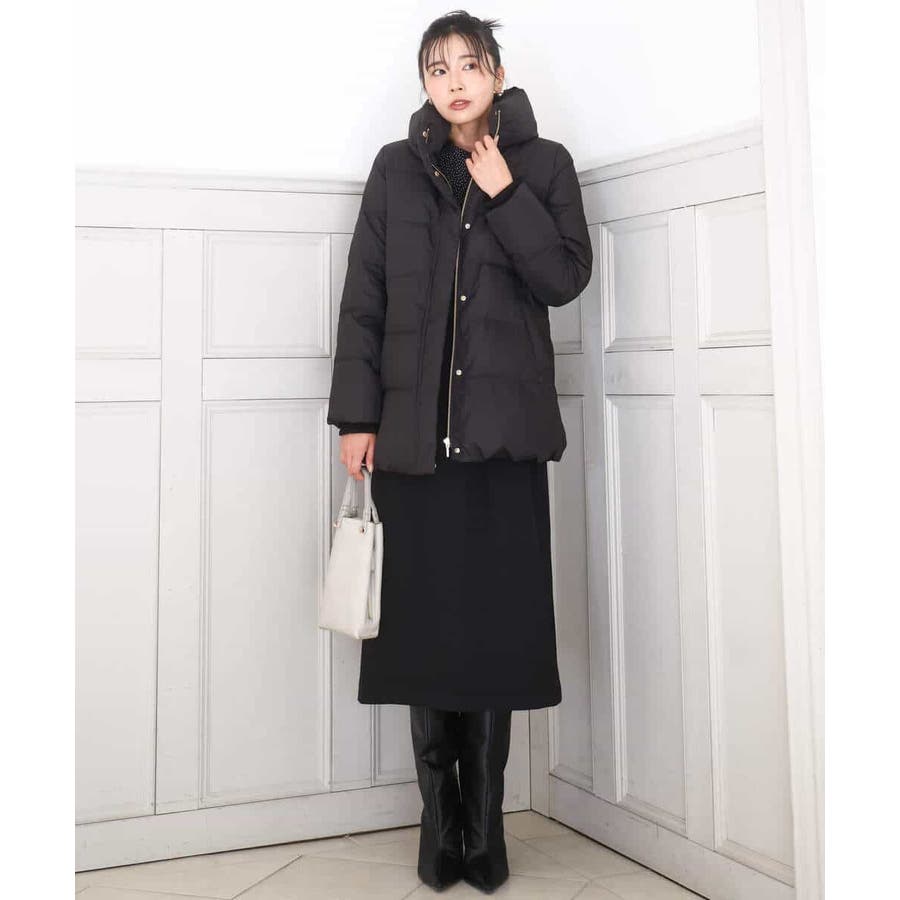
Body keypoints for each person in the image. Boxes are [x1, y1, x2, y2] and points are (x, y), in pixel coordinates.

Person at [327, 10, 592, 894]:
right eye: (436, 68)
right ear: (425, 82)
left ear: (497, 73)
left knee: (491, 641)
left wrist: (506, 192)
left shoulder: (543, 165)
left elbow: (563, 279)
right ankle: (439, 829)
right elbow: (365, 298)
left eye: (468, 64)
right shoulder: (395, 170)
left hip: (501, 443)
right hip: (412, 446)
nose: (453, 81)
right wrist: (355, 419)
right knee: (424, 637)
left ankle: (487, 831)